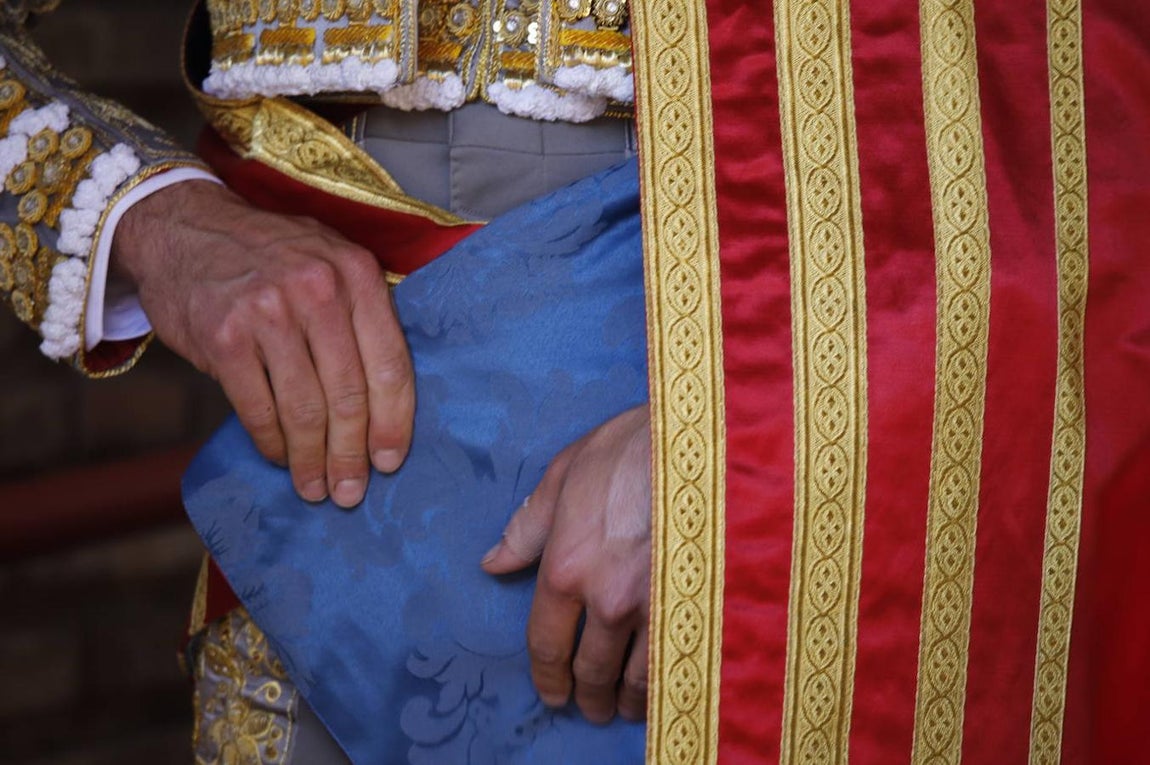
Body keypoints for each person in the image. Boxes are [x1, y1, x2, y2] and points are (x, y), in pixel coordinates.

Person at [4, 0, 1150, 763]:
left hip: (807, 341)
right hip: (318, 492)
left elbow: (1074, 81)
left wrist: (756, 430)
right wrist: (149, 219)